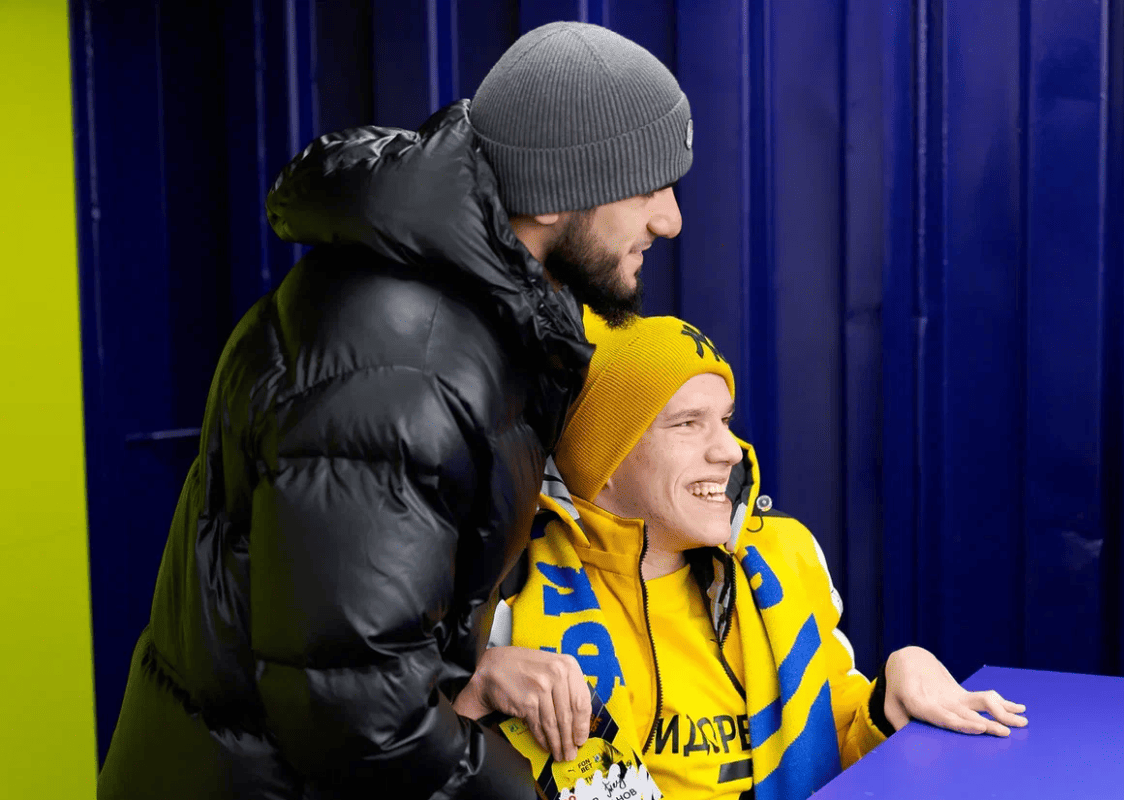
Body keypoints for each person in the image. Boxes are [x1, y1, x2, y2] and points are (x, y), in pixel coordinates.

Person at [98, 22, 691, 800]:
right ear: (553, 194)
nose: (669, 219)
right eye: (646, 187)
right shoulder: (403, 367)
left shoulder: (477, 312)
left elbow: (352, 639)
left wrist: (463, 671)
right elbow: (358, 719)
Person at [471, 310, 1029, 799]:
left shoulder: (783, 557)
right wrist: (478, 687)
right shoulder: (509, 590)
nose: (730, 450)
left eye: (725, 420)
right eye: (688, 424)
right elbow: (432, 764)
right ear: (605, 459)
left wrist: (894, 689)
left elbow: (838, 745)